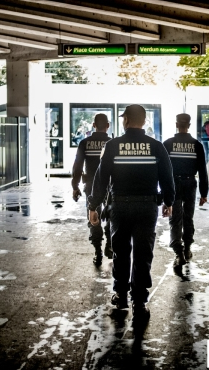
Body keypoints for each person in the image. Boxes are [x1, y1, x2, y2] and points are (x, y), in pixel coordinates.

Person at [88, 104, 175, 321]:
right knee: (144, 253)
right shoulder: (156, 147)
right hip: (147, 208)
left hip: (120, 207)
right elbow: (167, 176)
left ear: (125, 120)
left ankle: (120, 295)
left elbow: (101, 179)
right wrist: (168, 201)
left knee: (121, 251)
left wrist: (93, 206)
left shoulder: (113, 146)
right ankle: (140, 302)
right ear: (144, 121)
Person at [163, 113, 209, 268]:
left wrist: (164, 192)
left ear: (177, 124)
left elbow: (163, 171)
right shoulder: (197, 145)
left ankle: (179, 252)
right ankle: (188, 248)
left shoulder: (168, 144)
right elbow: (203, 171)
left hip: (173, 183)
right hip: (190, 183)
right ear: (189, 125)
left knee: (175, 218)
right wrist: (204, 193)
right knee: (188, 217)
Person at [72, 113, 112, 266]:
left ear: (94, 125)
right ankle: (110, 244)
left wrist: (75, 187)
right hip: (110, 186)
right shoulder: (112, 142)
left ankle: (98, 252)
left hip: (90, 185)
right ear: (107, 126)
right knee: (110, 216)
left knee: (93, 217)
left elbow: (77, 168)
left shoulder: (85, 143)